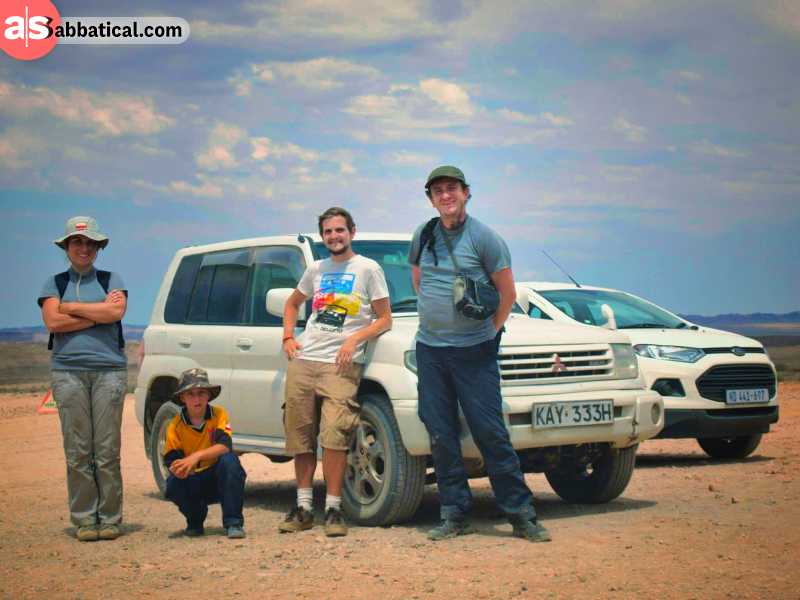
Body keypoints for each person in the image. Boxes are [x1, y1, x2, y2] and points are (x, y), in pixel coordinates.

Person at [408, 166, 551, 542]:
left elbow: (507, 293)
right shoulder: (423, 235)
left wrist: (491, 331)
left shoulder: (485, 238)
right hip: (431, 350)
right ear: (431, 198)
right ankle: (454, 513)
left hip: (475, 351)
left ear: (466, 193)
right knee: (441, 434)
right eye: (438, 191)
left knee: (490, 432)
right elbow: (419, 279)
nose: (445, 195)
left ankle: (521, 515)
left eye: (451, 188)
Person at [280, 207, 392, 537]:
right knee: (300, 436)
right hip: (304, 360)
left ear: (352, 232)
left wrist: (355, 339)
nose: (334, 236)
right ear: (323, 236)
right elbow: (291, 304)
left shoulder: (368, 268)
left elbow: (385, 318)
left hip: (341, 365)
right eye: (328, 232)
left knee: (334, 436)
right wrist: (288, 336)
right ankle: (303, 508)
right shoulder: (316, 269)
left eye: (339, 230)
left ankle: (333, 509)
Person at [38, 216, 128, 542]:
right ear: (67, 247)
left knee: (106, 449)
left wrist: (72, 308)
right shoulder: (54, 283)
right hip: (67, 372)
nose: (84, 248)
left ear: (98, 247)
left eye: (90, 243)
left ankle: (110, 518)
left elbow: (116, 314)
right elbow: (52, 322)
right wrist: (95, 315)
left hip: (110, 372)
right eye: (78, 242)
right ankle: (85, 519)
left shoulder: (110, 278)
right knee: (78, 450)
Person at [163, 368, 247, 539]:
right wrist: (182, 469)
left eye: (201, 393)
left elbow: (224, 446)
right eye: (191, 394)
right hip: (193, 480)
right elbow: (172, 461)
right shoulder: (175, 426)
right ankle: (195, 520)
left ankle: (233, 522)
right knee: (172, 484)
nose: (197, 399)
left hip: (217, 478)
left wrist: (195, 457)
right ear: (182, 398)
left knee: (230, 462)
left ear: (209, 395)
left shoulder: (219, 415)